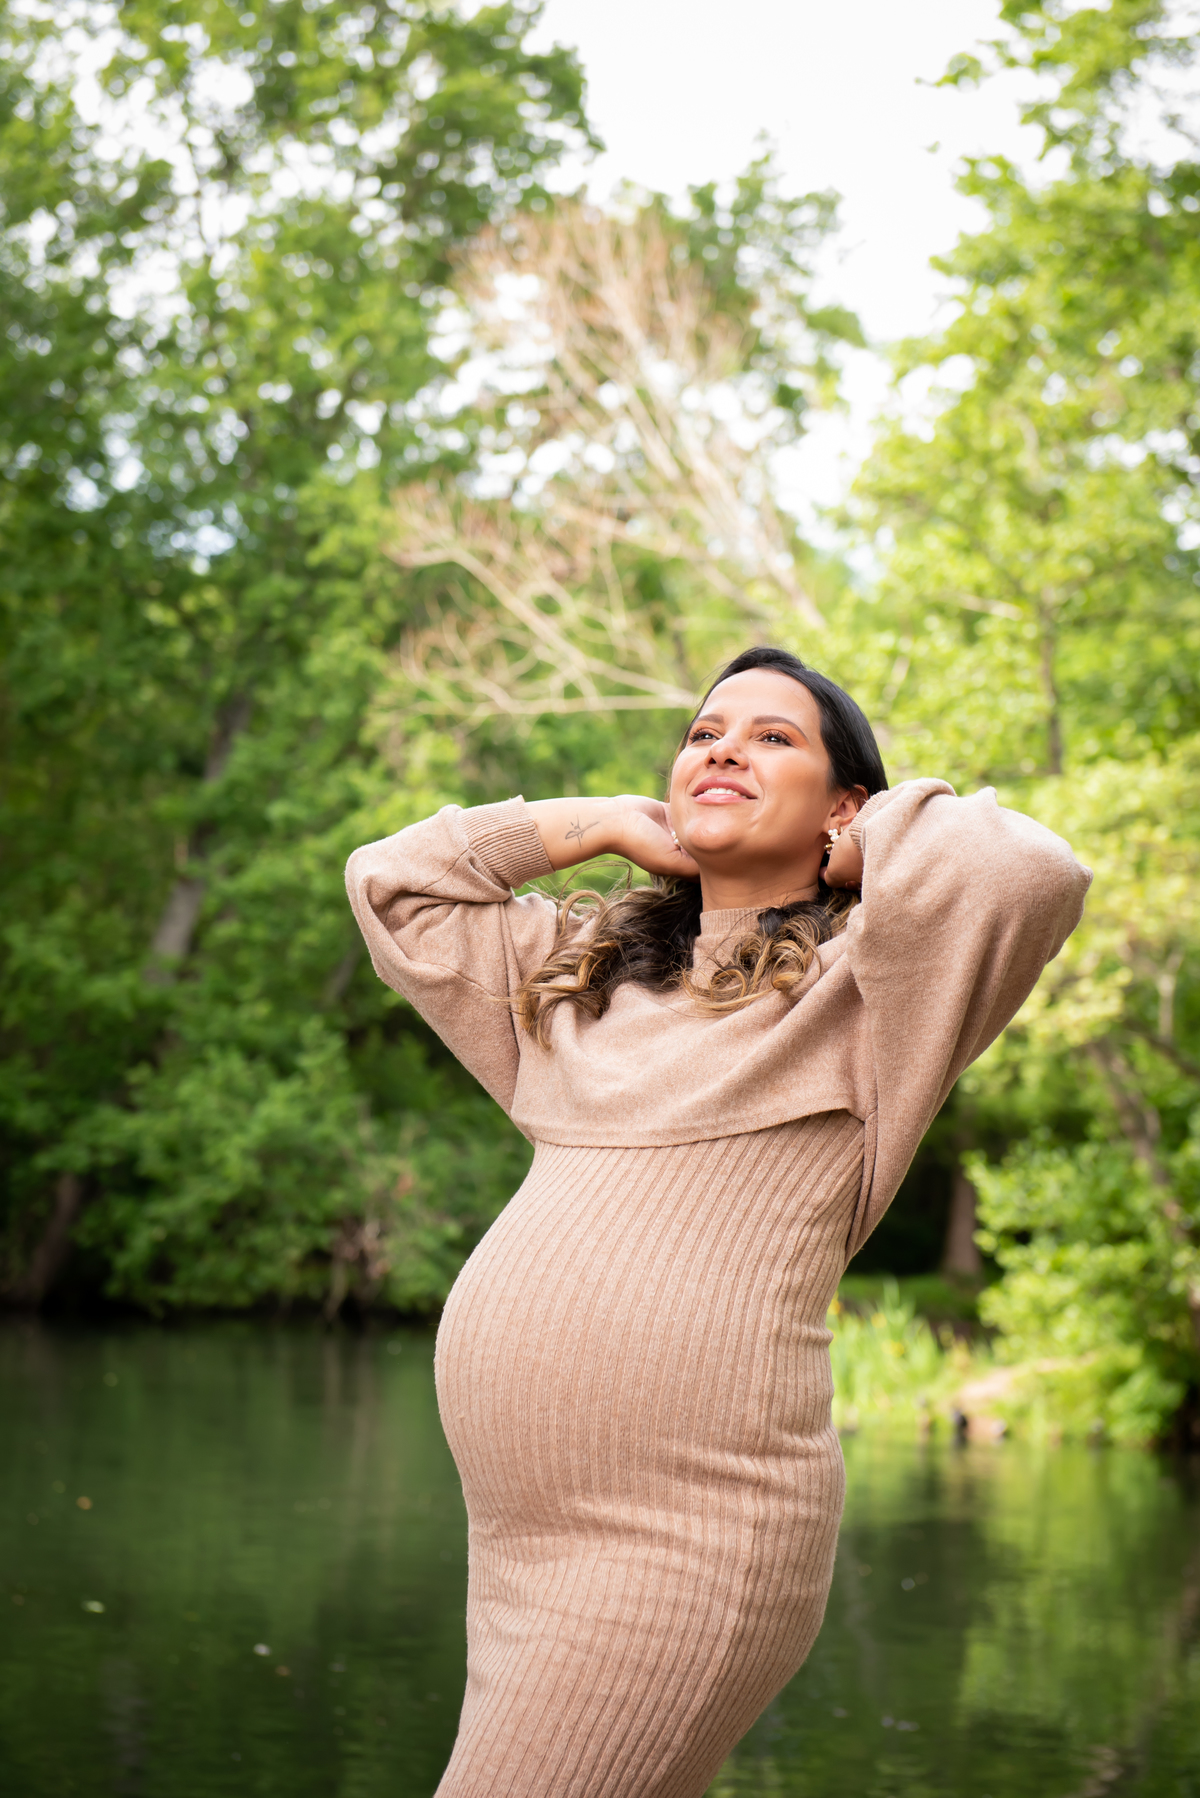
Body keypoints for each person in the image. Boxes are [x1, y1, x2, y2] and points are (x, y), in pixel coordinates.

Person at [345, 645, 1091, 1798]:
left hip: (689, 1538)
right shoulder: (583, 977)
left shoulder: (870, 988)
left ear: (843, 802)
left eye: (772, 737)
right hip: (521, 1542)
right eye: (704, 733)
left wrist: (864, 846)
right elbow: (394, 886)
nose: (723, 749)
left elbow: (1032, 870)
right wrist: (600, 822)